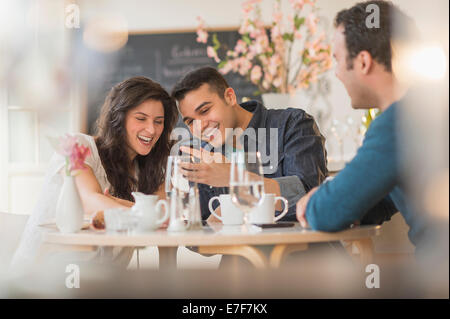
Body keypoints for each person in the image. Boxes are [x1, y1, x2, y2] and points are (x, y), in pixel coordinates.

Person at [296, 1, 429, 251]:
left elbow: (325, 213)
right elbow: (386, 192)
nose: (336, 73)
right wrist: (347, 199)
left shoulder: (398, 122)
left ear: (363, 62)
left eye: (337, 60)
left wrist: (318, 201)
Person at [11, 76, 178, 269]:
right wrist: (146, 214)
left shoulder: (151, 171)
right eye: (141, 119)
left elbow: (166, 220)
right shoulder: (75, 146)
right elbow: (90, 201)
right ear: (119, 118)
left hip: (104, 284)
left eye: (159, 121)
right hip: (44, 275)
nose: (151, 129)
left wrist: (117, 204)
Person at [171, 66, 328, 221]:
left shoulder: (291, 124)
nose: (200, 126)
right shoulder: (201, 154)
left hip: (303, 245)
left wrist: (235, 178)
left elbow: (311, 197)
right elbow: (202, 228)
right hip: (232, 247)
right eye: (190, 121)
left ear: (230, 97)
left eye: (205, 111)